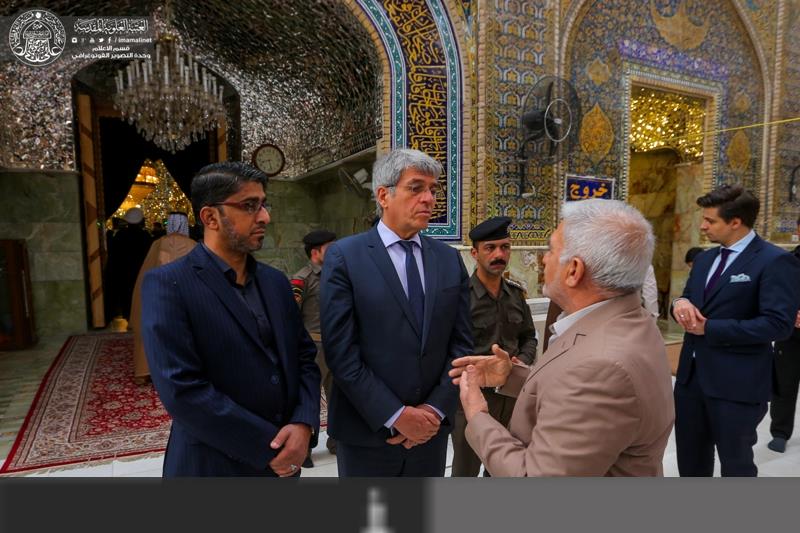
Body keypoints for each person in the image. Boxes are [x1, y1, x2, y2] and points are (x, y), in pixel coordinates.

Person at [450, 199, 674, 476]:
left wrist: (477, 415)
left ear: (574, 270)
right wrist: (511, 376)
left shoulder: (601, 368)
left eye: (551, 250)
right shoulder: (630, 321)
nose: (543, 259)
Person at [141, 162, 320, 477]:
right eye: (250, 206)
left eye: (264, 204)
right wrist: (268, 448)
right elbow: (182, 391)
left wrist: (303, 423)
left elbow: (303, 356)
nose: (265, 217)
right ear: (210, 217)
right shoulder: (170, 285)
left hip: (283, 464)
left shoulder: (275, 282)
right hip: (213, 465)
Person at [320, 148, 473, 477]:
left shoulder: (448, 260)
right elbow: (342, 353)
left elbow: (461, 345)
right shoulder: (346, 257)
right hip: (368, 433)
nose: (429, 199)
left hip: (431, 436)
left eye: (433, 189)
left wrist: (432, 411)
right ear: (383, 195)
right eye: (416, 188)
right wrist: (396, 415)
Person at [672, 185, 800, 476]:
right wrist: (679, 303)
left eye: (710, 220)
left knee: (736, 464)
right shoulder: (704, 259)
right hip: (691, 381)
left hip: (737, 384)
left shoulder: (775, 261)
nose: (702, 226)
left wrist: (711, 329)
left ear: (735, 222)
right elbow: (687, 296)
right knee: (690, 462)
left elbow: (778, 325)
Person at [451, 216, 537, 477]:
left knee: (503, 467)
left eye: (505, 247)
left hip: (512, 396)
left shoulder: (516, 294)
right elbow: (447, 347)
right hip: (473, 397)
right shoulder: (459, 298)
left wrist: (522, 360)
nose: (499, 254)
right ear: (475, 253)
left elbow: (529, 336)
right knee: (466, 467)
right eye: (490, 248)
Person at [130, 212, 197, 382]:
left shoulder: (158, 244)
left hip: (158, 295)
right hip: (185, 298)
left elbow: (147, 271)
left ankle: (149, 372)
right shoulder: (193, 245)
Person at [291, 229, 338, 462]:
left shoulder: (338, 274)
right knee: (309, 398)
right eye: (330, 249)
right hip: (314, 348)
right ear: (315, 252)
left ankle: (336, 440)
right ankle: (306, 447)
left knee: (338, 396)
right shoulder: (302, 279)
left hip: (337, 345)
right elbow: (292, 317)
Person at [767, 215, 800, 453]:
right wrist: (790, 313)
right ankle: (780, 431)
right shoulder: (789, 261)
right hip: (791, 335)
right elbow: (776, 295)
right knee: (784, 383)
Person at [106, 207, 152, 320]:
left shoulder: (120, 235)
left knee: (126, 296)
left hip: (123, 273)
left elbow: (113, 256)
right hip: (141, 272)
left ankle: (128, 317)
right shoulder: (145, 236)